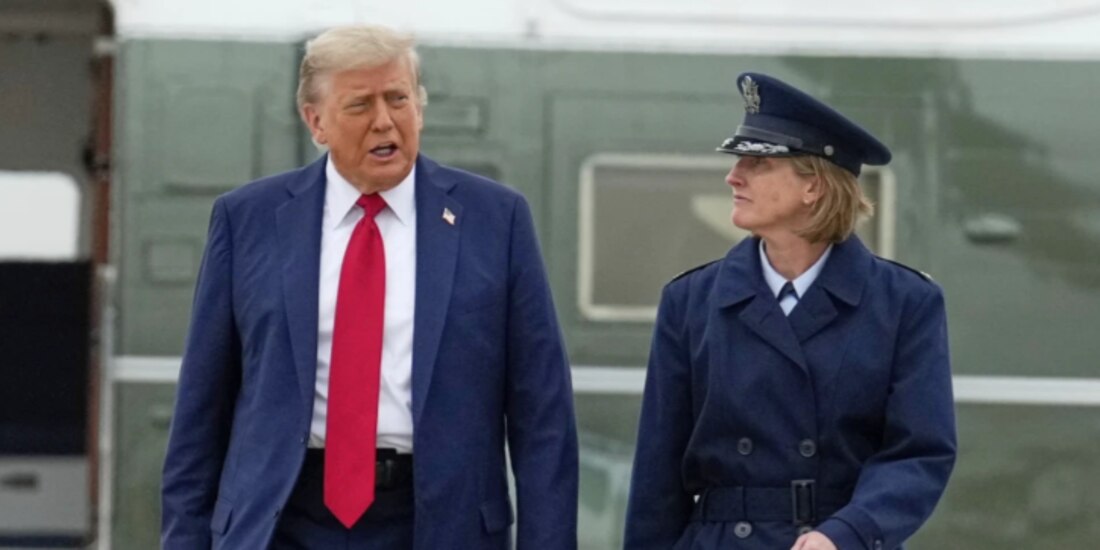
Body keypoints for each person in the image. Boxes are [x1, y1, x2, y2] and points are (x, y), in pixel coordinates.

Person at [161, 25, 578, 550]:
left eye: (398, 99)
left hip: (436, 522)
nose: (385, 121)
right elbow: (201, 410)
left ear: (419, 108)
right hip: (279, 520)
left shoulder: (495, 220)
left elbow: (543, 415)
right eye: (360, 105)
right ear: (316, 122)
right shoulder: (248, 220)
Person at [623, 72, 956, 550]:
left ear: (813, 186)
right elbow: (658, 475)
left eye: (757, 163)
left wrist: (847, 533)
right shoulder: (690, 301)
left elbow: (919, 453)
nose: (733, 176)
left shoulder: (905, 302)